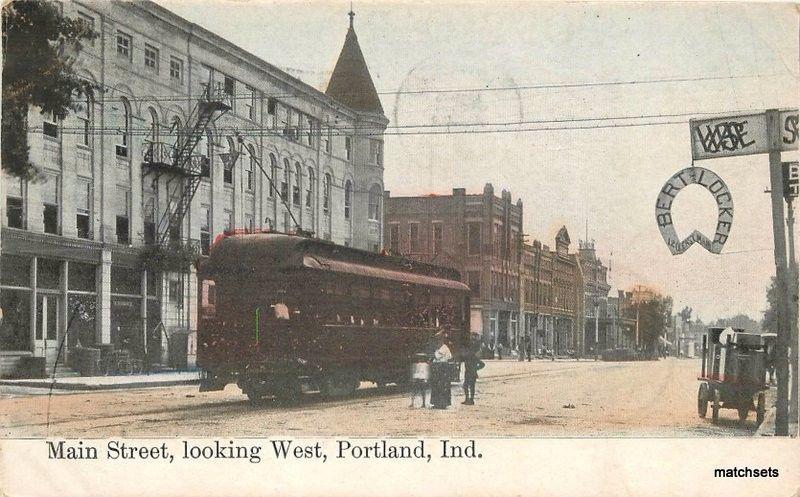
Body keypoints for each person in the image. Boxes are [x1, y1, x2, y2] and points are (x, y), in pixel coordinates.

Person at [429, 336, 453, 409]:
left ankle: (442, 403)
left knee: (442, 386)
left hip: (442, 368)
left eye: (438, 341)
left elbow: (437, 356)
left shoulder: (444, 348)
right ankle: (436, 403)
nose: (437, 343)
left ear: (441, 341)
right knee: (436, 385)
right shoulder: (439, 348)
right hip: (438, 367)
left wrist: (432, 355)